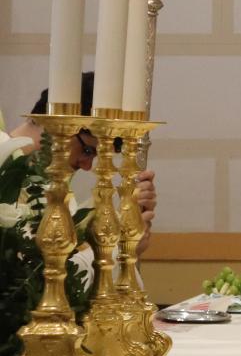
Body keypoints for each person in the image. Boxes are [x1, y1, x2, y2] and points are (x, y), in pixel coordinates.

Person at [6, 73, 156, 256]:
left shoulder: (52, 185)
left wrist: (130, 231)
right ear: (59, 124)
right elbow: (27, 268)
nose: (86, 166)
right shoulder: (4, 167)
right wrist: (117, 252)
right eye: (87, 150)